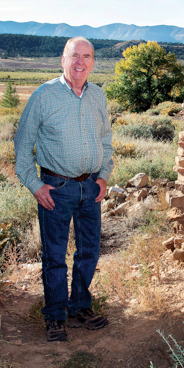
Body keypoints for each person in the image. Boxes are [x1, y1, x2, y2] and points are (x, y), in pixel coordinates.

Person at [14, 37, 113, 342]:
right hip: (56, 188)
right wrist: (35, 185)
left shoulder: (98, 97)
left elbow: (106, 142)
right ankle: (55, 316)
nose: (80, 62)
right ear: (63, 59)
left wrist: (104, 177)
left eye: (87, 56)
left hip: (90, 187)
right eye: (75, 56)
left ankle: (80, 306)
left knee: (89, 252)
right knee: (55, 256)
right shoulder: (44, 96)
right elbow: (22, 146)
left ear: (93, 62)